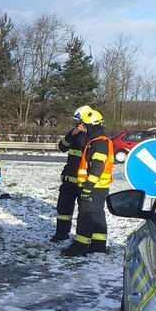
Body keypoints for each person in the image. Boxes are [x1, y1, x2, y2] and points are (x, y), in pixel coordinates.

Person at [62, 108, 114, 257]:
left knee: (86, 217)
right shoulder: (99, 141)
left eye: (84, 125)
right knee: (97, 216)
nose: (82, 128)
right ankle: (98, 246)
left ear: (90, 125)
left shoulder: (99, 143)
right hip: (100, 187)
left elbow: (97, 167)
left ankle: (79, 248)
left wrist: (88, 188)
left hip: (94, 187)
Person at [50, 105, 91, 242]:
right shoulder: (74, 133)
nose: (79, 125)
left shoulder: (94, 137)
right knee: (63, 210)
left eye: (81, 123)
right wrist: (72, 134)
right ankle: (61, 234)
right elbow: (62, 147)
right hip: (69, 180)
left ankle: (82, 239)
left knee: (84, 213)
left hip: (83, 182)